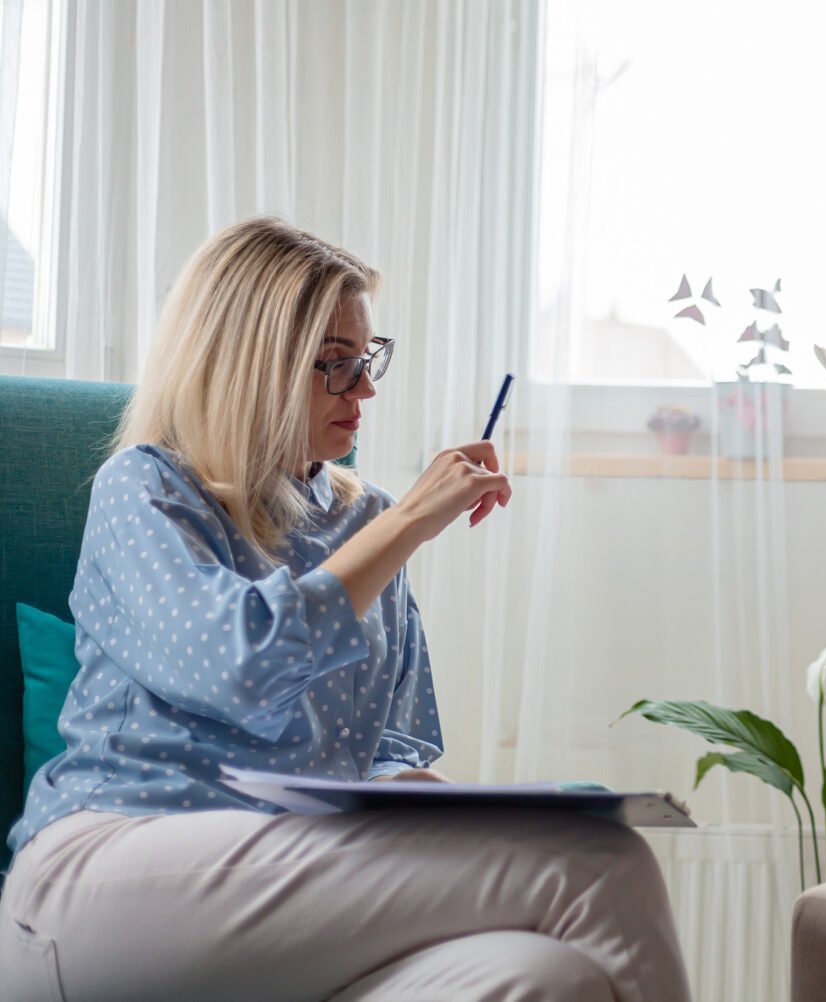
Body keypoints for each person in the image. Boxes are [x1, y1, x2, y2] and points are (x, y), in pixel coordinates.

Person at [0, 217, 692, 1002]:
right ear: (244, 365)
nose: (363, 390)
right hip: (109, 873)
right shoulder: (147, 488)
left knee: (547, 978)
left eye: (366, 361)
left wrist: (437, 799)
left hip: (294, 889)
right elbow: (240, 668)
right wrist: (409, 527)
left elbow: (392, 742)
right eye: (334, 365)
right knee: (599, 863)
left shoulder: (365, 519)